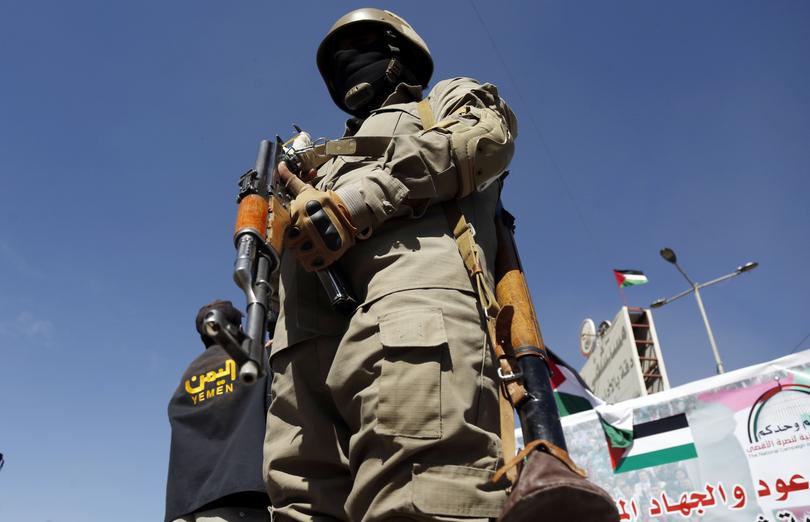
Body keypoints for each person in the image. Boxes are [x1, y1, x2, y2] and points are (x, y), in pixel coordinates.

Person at [264, 8, 518, 521]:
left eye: (360, 46)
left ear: (402, 56)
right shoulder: (316, 159)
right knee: (298, 508)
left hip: (411, 313)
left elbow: (483, 140)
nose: (346, 65)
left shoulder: (439, 101)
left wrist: (363, 199)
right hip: (303, 360)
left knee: (423, 494)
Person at [165, 300, 272, 522]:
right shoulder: (254, 360)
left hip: (183, 508)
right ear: (239, 328)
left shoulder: (187, 378)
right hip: (236, 502)